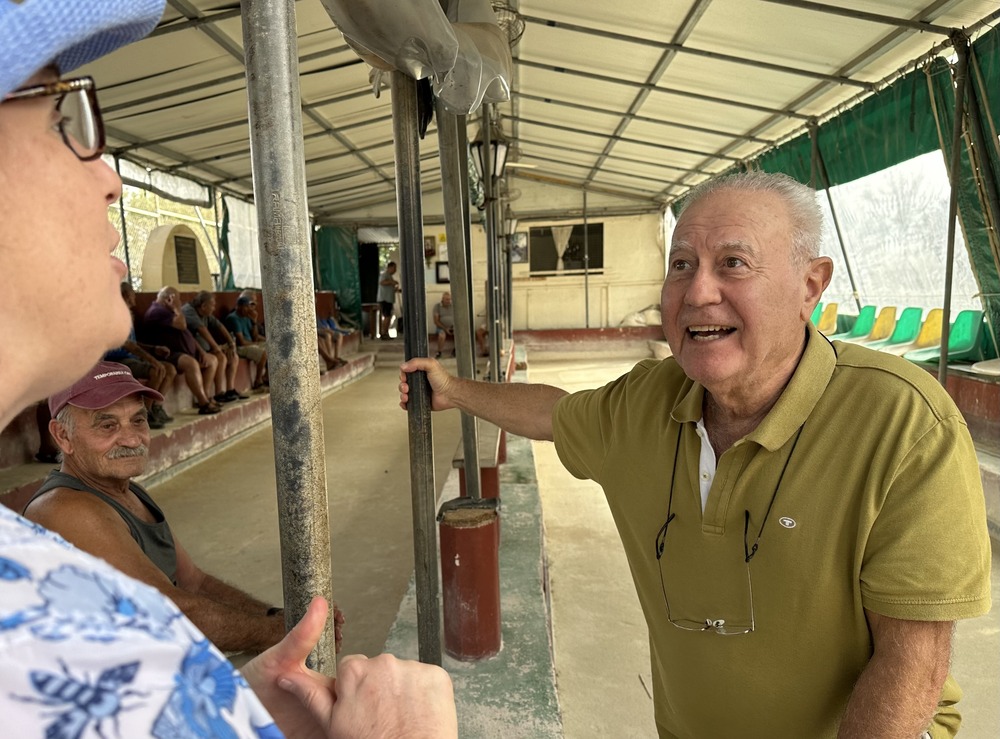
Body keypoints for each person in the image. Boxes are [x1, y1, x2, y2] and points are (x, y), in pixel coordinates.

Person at [0, 0, 457, 735]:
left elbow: (189, 594)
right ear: (64, 433)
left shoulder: (31, 571)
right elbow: (177, 606)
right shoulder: (47, 593)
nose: (109, 178)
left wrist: (223, 694)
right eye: (62, 118)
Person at [400, 172, 991, 737]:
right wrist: (455, 391)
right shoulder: (645, 402)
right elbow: (553, 414)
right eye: (681, 265)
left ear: (811, 285)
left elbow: (913, 660)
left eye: (733, 263)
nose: (699, 292)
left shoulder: (902, 421)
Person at [23, 361, 311, 654]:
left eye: (138, 420)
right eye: (107, 425)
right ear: (62, 436)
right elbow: (171, 612)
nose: (132, 438)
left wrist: (278, 619)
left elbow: (193, 583)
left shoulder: (129, 491)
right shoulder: (66, 509)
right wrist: (288, 634)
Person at [105, 280, 177, 427]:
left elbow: (135, 344)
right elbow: (128, 345)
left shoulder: (127, 314)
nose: (134, 298)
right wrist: (152, 360)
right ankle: (145, 414)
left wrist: (153, 348)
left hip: (132, 357)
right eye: (132, 295)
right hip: (118, 360)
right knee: (156, 370)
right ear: (125, 296)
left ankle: (156, 407)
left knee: (170, 369)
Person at [142, 286, 222, 414]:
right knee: (191, 363)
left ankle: (205, 396)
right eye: (178, 299)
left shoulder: (169, 312)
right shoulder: (157, 311)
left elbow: (186, 333)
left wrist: (201, 352)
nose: (180, 303)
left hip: (182, 352)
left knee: (212, 360)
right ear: (170, 299)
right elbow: (182, 325)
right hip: (168, 353)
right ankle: (203, 403)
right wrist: (176, 308)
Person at [182, 290, 247, 402]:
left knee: (233, 356)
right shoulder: (189, 311)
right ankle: (206, 396)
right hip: (193, 351)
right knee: (219, 357)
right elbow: (202, 330)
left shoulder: (206, 314)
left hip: (206, 349)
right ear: (203, 306)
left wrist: (231, 343)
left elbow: (219, 326)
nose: (214, 308)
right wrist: (217, 348)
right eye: (212, 305)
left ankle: (227, 391)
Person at [226, 294, 269, 389]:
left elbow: (255, 337)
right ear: (239, 307)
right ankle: (258, 380)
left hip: (249, 344)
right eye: (245, 307)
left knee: (272, 348)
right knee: (263, 353)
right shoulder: (233, 318)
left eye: (248, 307)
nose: (248, 309)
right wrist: (257, 344)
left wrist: (254, 321)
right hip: (240, 347)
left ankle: (266, 377)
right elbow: (241, 342)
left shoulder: (246, 317)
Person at [377, 261, 400, 339]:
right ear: (390, 267)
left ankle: (386, 332)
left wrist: (396, 289)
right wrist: (391, 282)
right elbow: (382, 282)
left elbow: (389, 288)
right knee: (386, 316)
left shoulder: (390, 276)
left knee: (389, 316)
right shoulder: (384, 275)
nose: (395, 270)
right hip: (385, 299)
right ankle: (383, 333)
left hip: (389, 299)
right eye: (394, 268)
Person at [433, 291, 455, 358]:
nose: (449, 301)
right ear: (442, 299)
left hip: (453, 326)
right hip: (441, 327)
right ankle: (439, 352)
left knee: (460, 334)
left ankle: (456, 350)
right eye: (447, 299)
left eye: (450, 299)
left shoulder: (453, 306)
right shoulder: (437, 306)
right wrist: (445, 328)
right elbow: (436, 321)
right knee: (442, 335)